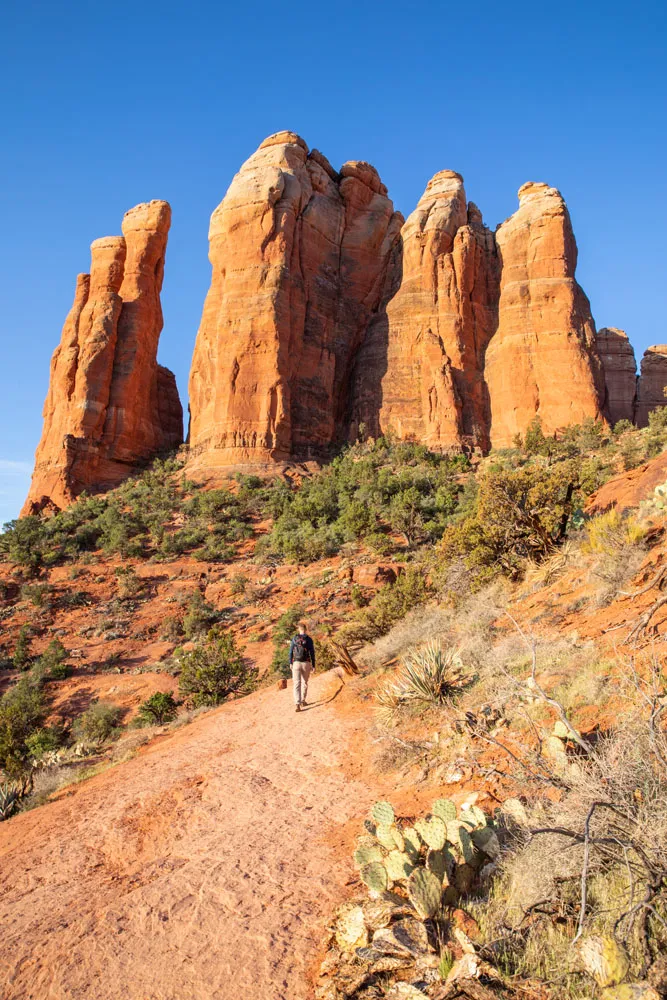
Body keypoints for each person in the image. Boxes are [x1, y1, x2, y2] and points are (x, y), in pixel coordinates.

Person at [289, 623, 315, 712]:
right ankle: (303, 700)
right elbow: (312, 653)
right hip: (306, 663)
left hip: (296, 663)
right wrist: (313, 665)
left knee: (296, 683)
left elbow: (290, 652)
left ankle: (297, 704)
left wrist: (290, 663)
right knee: (305, 682)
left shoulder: (294, 638)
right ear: (306, 629)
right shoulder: (309, 639)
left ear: (299, 629)